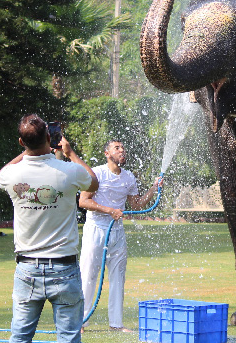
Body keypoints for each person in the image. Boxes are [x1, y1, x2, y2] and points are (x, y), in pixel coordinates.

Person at [0, 114, 98, 343]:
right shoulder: (69, 171)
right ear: (49, 137)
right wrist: (70, 153)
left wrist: (26, 151)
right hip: (64, 267)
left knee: (20, 337)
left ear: (21, 142)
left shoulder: (12, 175)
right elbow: (93, 182)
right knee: (69, 338)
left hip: (27, 268)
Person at [78, 139, 163, 333]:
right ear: (107, 153)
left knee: (118, 277)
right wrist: (109, 210)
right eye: (117, 148)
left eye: (123, 148)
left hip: (117, 231)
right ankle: (81, 322)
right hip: (96, 229)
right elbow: (83, 201)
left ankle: (116, 324)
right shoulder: (96, 173)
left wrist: (153, 188)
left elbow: (137, 205)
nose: (122, 151)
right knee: (89, 274)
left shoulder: (129, 177)